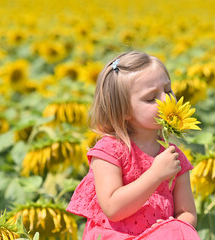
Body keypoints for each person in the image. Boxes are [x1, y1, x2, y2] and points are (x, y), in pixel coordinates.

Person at [67, 51, 199, 239]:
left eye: (168, 90)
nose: (167, 100)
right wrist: (155, 174)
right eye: (151, 98)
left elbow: (188, 213)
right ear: (123, 110)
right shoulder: (110, 151)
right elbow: (113, 208)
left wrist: (174, 226)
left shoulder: (173, 156)